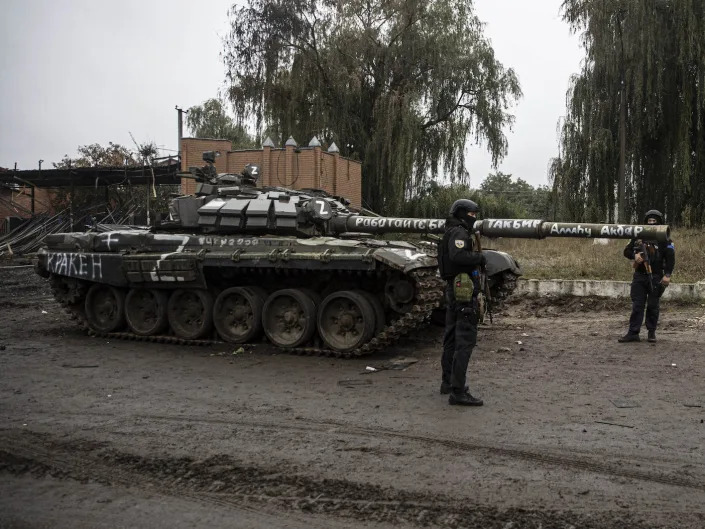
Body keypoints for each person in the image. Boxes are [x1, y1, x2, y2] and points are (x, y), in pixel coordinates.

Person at [437, 199, 486, 406]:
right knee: (464, 340)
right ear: (462, 214)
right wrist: (479, 258)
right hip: (463, 292)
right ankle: (457, 392)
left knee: (451, 338)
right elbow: (458, 256)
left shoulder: (451, 231)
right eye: (471, 214)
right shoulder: (459, 233)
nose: (473, 218)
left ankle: (448, 382)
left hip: (454, 290)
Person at [618, 209, 675, 343]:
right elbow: (626, 251)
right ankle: (633, 333)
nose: (652, 223)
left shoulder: (664, 239)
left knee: (653, 306)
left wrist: (667, 275)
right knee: (637, 305)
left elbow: (671, 258)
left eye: (654, 221)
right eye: (649, 221)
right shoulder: (638, 236)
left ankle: (651, 332)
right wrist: (634, 256)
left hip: (655, 276)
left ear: (659, 222)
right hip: (639, 275)